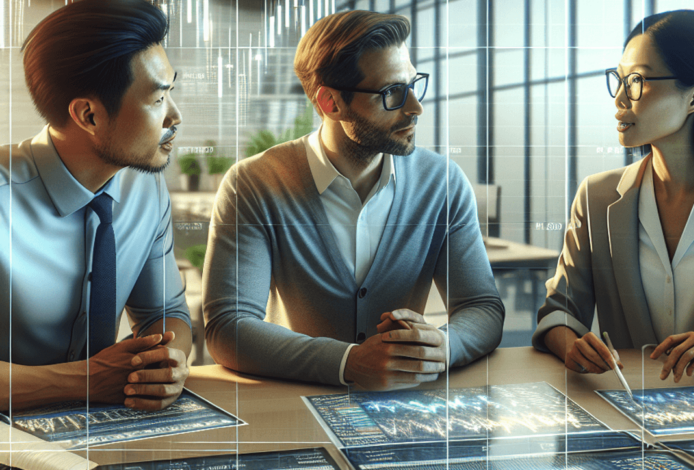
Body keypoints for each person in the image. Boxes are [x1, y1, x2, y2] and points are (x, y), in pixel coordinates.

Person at [203, 10, 505, 390]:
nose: (415, 107)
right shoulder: (254, 184)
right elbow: (228, 327)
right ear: (330, 103)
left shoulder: (442, 183)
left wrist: (443, 345)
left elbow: (483, 308)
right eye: (392, 93)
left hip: (405, 411)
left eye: (413, 84)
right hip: (296, 407)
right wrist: (348, 362)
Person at [533, 10, 694, 383]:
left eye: (637, 81)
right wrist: (572, 344)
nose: (619, 98)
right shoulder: (597, 197)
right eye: (618, 80)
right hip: (625, 408)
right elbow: (559, 311)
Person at [0, 0, 191, 411]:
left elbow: (167, 312)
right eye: (158, 100)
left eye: (170, 92)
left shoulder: (146, 188)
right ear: (88, 114)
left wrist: (163, 365)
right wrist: (82, 381)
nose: (175, 115)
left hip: (106, 432)